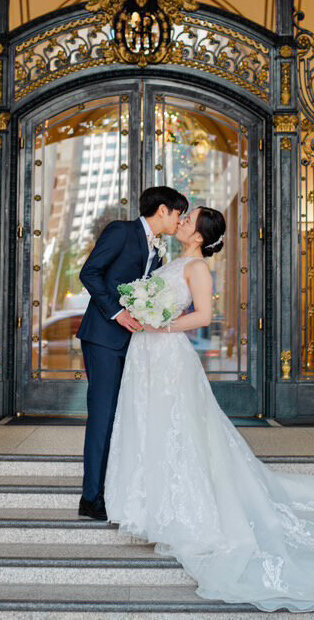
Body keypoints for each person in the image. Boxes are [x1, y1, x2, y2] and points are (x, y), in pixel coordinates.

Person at [105, 206, 314, 612]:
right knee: (152, 424)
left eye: (188, 219)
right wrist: (144, 313)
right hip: (148, 355)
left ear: (199, 234)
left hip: (168, 354)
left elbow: (204, 316)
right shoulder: (173, 259)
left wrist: (161, 323)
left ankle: (182, 507)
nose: (181, 221)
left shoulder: (196, 267)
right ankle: (148, 502)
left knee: (179, 428)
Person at [77, 185, 188, 521]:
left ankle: (113, 488)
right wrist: (117, 312)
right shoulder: (122, 231)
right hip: (104, 338)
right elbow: (89, 273)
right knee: (103, 416)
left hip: (134, 344)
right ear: (163, 210)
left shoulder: (158, 247)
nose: (179, 220)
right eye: (179, 213)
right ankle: (91, 498)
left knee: (125, 416)